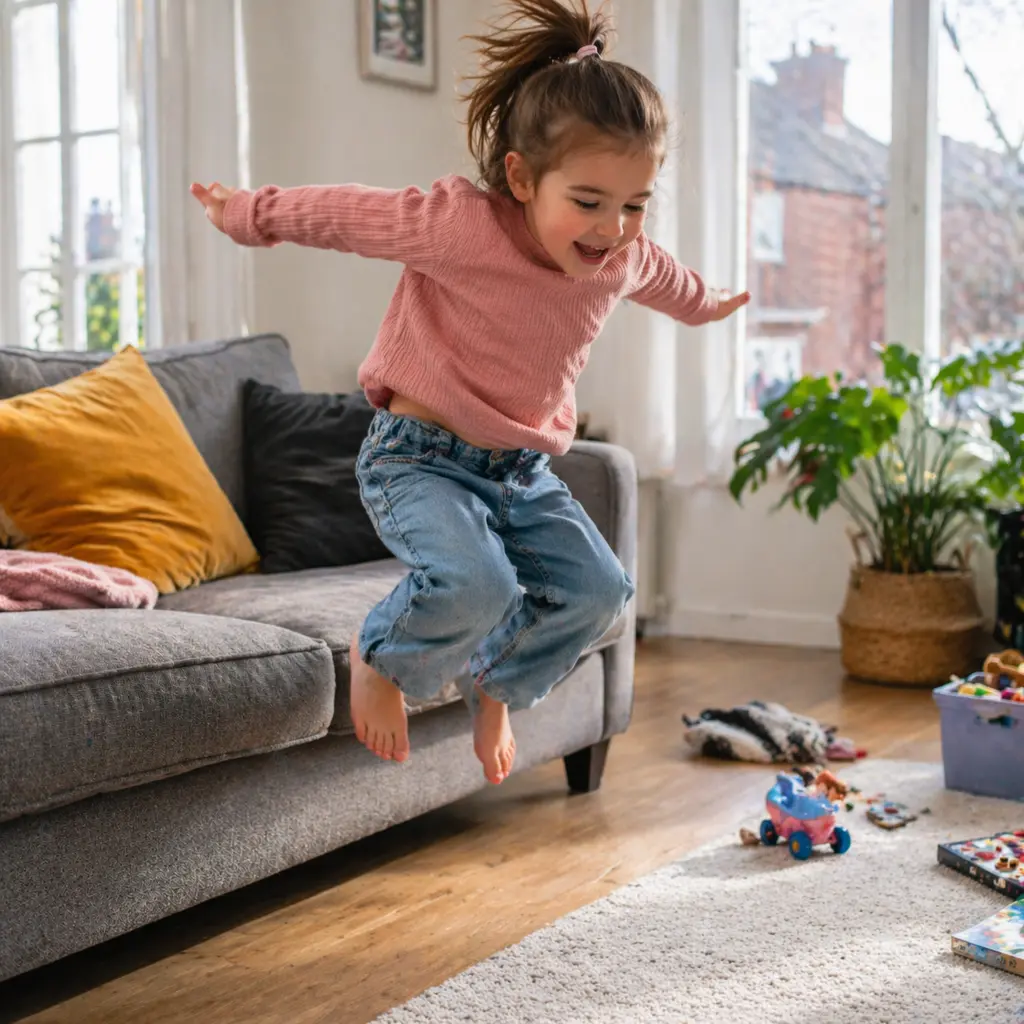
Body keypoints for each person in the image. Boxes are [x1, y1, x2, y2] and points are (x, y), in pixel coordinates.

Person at [191, 0, 749, 787]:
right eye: (588, 202)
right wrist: (249, 213)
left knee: (600, 592)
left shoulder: (621, 256)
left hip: (519, 471)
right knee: (477, 583)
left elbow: (666, 276)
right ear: (521, 178)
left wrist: (709, 302)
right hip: (416, 461)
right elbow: (347, 214)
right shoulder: (460, 225)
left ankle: (496, 683)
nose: (612, 229)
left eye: (634, 205)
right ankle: (379, 654)